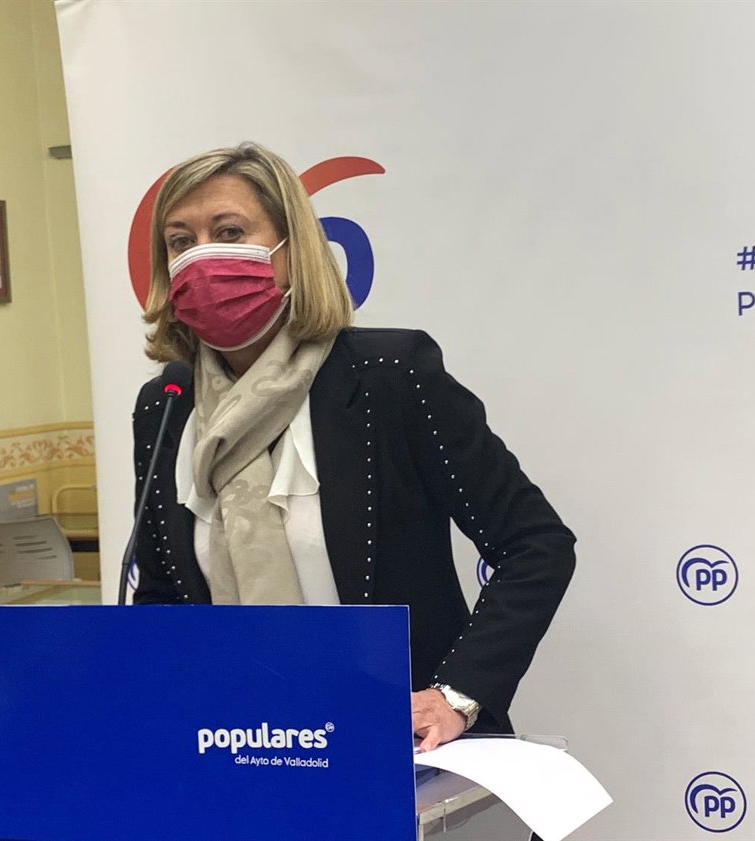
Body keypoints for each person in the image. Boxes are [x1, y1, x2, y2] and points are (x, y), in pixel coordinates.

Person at [131, 142, 575, 751]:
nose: (202, 257)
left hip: (402, 746)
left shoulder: (391, 377)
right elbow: (163, 597)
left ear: (292, 250)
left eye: (229, 232)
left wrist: (458, 694)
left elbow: (536, 544)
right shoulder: (166, 406)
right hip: (240, 744)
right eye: (181, 241)